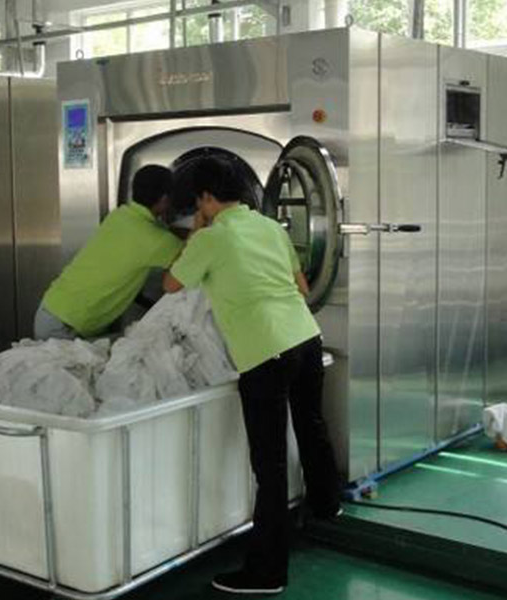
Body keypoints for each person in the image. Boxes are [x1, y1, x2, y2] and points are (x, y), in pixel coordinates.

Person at [162, 156, 342, 596]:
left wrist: (196, 235)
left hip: (265, 351)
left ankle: (267, 573)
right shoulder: (269, 227)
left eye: (198, 203)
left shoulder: (212, 237)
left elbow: (171, 285)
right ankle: (327, 507)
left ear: (206, 198)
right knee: (311, 424)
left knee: (270, 465)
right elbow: (302, 287)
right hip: (306, 337)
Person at [35, 164, 184, 340]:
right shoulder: (157, 241)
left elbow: (163, 231)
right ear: (165, 199)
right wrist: (200, 223)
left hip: (52, 311)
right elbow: (193, 257)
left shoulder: (120, 216)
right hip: (64, 328)